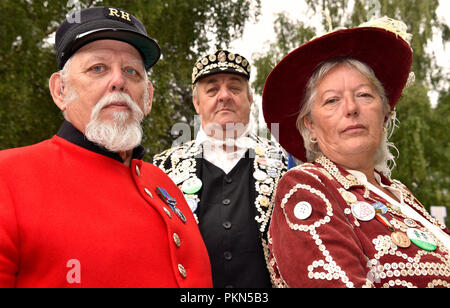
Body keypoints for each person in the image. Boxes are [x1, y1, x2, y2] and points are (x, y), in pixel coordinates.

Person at [0, 6, 212, 288]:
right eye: (97, 68)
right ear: (60, 90)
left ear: (147, 98)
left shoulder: (163, 183)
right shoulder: (8, 176)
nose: (118, 81)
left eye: (131, 71)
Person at [262, 17, 450, 288]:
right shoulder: (306, 187)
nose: (351, 108)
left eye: (364, 95)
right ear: (311, 125)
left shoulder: (401, 194)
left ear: (385, 113)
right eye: (331, 100)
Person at [153, 50, 288, 288]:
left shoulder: (286, 163)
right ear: (197, 102)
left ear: (250, 98)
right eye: (212, 90)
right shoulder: (162, 168)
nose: (224, 96)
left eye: (234, 88)